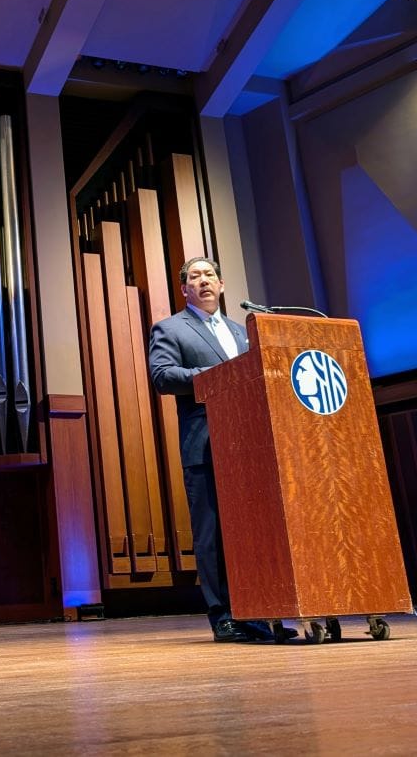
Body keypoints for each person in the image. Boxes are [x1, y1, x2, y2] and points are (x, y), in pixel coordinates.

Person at [147, 256, 293, 644]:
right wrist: (219, 376)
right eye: (194, 277)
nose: (203, 281)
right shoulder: (170, 328)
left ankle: (259, 610)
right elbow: (162, 377)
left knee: (253, 531)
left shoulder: (242, 331)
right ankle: (224, 616)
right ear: (185, 290)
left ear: (222, 285)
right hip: (205, 446)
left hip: (252, 446)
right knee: (213, 535)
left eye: (209, 275)